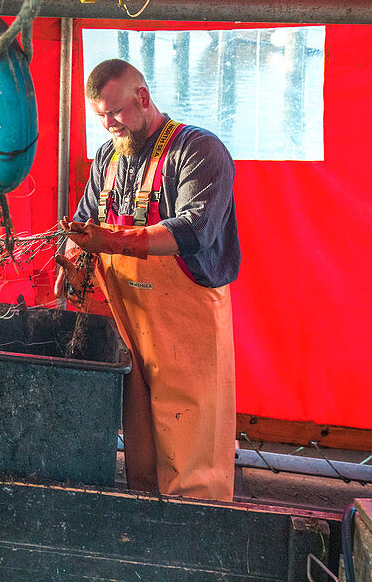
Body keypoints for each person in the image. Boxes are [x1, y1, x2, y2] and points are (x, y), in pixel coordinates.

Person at [55, 58, 239, 501]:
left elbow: (196, 229)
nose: (109, 124)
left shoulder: (197, 149)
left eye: (116, 112)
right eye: (100, 115)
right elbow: (82, 222)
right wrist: (72, 257)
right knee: (141, 438)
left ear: (143, 97)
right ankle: (146, 520)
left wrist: (113, 240)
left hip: (188, 324)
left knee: (192, 440)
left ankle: (199, 524)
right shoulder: (107, 157)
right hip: (130, 320)